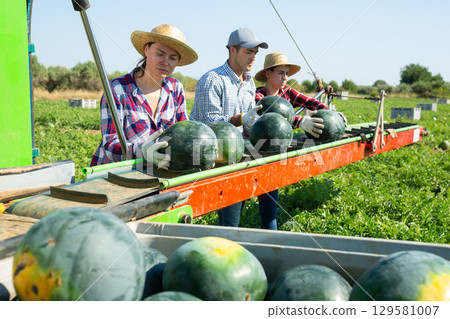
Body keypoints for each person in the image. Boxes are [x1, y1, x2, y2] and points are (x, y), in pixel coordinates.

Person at [190, 28, 279, 230]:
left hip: (237, 151)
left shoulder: (249, 83)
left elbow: (249, 122)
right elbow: (209, 123)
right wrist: (241, 119)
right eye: (249, 52)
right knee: (230, 220)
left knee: (254, 197)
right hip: (214, 156)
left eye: (255, 53)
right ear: (232, 50)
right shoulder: (212, 79)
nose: (253, 57)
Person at [90, 24, 198, 169]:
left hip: (158, 170)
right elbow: (110, 146)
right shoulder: (117, 90)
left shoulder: (175, 88)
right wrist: (142, 151)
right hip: (116, 173)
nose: (165, 62)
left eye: (172, 58)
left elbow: (184, 132)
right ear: (146, 50)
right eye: (159, 54)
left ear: (178, 62)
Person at [254, 52, 333, 138]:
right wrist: (300, 121)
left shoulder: (287, 92)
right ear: (268, 74)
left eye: (287, 73)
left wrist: (330, 114)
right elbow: (273, 117)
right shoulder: (259, 96)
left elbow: (310, 102)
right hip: (265, 140)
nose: (285, 77)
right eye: (281, 73)